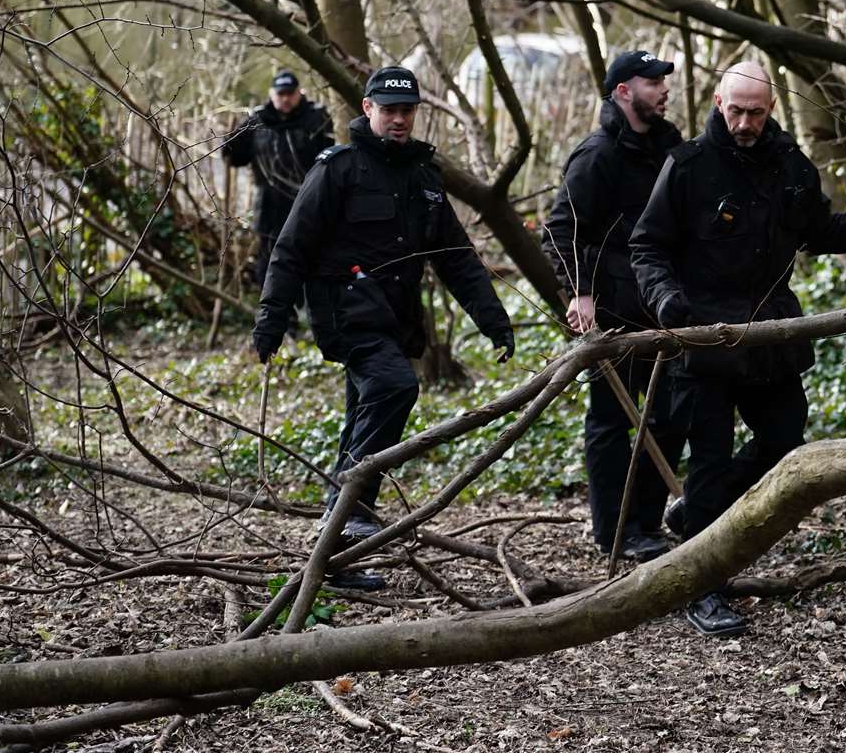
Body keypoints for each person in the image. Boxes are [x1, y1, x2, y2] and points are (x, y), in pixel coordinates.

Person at [631, 60, 846, 636]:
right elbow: (648, 247)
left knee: (786, 444)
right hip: (703, 341)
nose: (743, 122)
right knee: (708, 462)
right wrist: (666, 302)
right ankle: (703, 585)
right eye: (734, 110)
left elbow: (820, 230)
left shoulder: (790, 166)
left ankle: (697, 518)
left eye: (755, 113)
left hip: (772, 339)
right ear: (717, 103)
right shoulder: (687, 168)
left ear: (771, 111)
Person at [251, 66, 515, 590]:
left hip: (394, 319)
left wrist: (492, 319)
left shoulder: (421, 177)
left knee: (362, 418)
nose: (398, 119)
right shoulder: (338, 169)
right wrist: (272, 320)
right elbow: (290, 248)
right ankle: (349, 511)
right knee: (395, 385)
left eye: (407, 110)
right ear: (367, 109)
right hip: (344, 314)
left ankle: (337, 550)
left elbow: (456, 257)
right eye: (388, 109)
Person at [542, 49, 686, 562]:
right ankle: (614, 530)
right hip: (612, 312)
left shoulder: (670, 147)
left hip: (665, 307)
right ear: (624, 92)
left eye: (662, 81)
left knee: (670, 416)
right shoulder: (597, 154)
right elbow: (560, 231)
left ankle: (646, 521)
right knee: (610, 422)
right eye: (652, 82)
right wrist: (581, 292)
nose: (663, 90)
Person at [220, 69, 334, 288]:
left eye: (290, 93)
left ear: (299, 93)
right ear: (272, 93)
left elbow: (332, 161)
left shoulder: (317, 118)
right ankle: (278, 317)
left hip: (310, 204)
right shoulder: (257, 121)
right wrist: (230, 141)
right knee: (271, 262)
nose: (285, 99)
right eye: (281, 93)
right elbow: (234, 158)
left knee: (312, 258)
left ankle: (311, 312)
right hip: (269, 207)